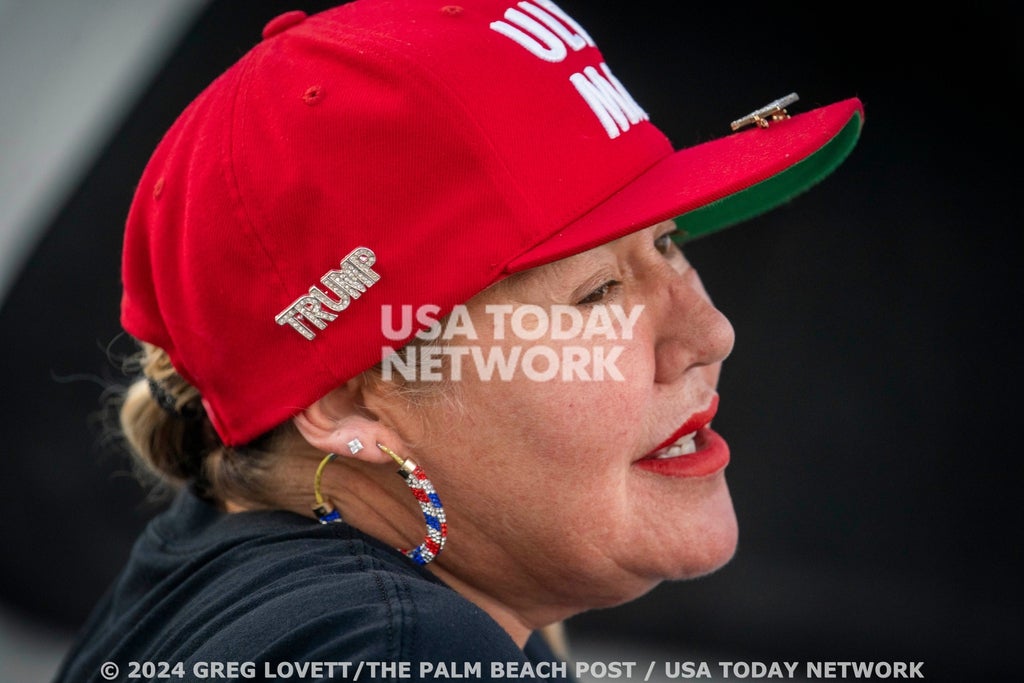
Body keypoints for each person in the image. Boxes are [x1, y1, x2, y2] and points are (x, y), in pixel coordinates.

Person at [53, 1, 863, 681]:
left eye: (668, 241)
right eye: (598, 292)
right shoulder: (405, 650)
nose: (711, 332)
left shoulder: (214, 562)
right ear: (350, 402)